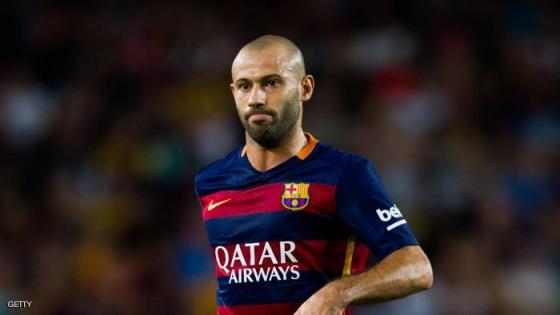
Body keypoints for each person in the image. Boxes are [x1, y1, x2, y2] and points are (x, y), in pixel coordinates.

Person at [194, 35, 433, 315]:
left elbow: (417, 268)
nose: (256, 98)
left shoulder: (343, 173)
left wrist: (339, 292)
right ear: (234, 92)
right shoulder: (210, 181)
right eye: (245, 86)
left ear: (305, 88)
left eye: (271, 83)